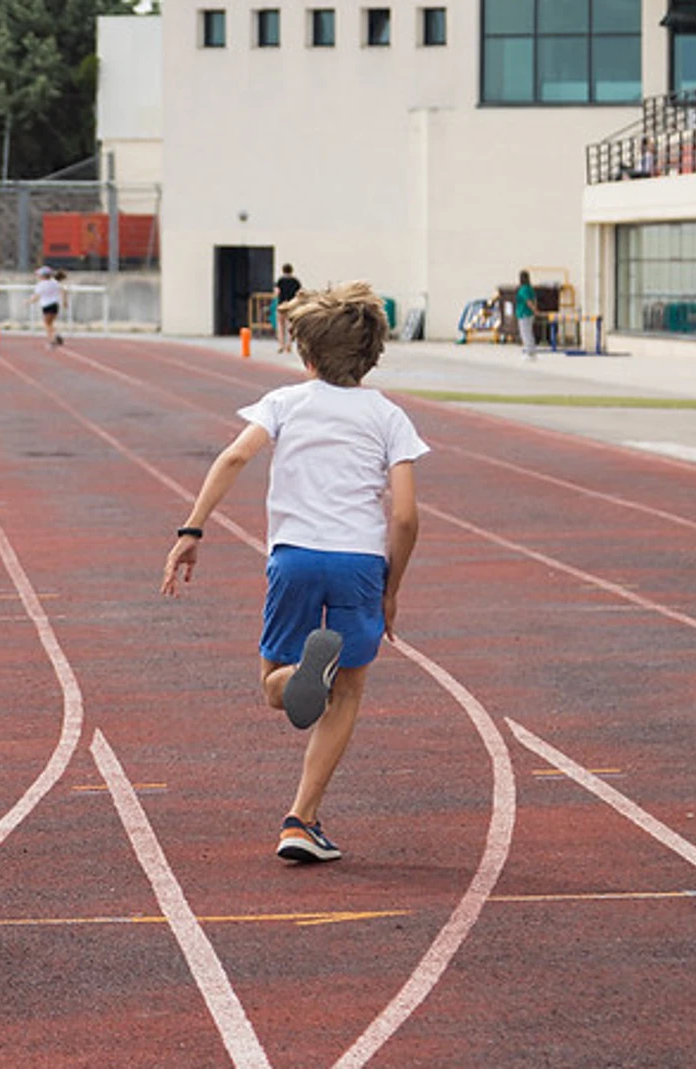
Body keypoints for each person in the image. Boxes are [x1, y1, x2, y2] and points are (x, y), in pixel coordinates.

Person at [161, 281, 425, 864]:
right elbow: (405, 516)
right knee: (348, 689)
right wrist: (392, 589)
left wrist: (192, 530)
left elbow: (233, 457)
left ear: (306, 355)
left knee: (275, 686)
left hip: (294, 557)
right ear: (372, 354)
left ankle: (303, 675)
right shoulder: (388, 416)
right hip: (359, 561)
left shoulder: (284, 403)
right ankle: (301, 820)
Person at [34, 265, 64, 347]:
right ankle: (56, 335)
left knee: (47, 324)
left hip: (46, 305)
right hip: (55, 305)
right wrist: (64, 302)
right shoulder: (54, 282)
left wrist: (28, 301)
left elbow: (37, 296)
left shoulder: (40, 285)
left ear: (42, 276)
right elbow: (62, 290)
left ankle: (53, 339)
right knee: (50, 323)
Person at [275, 264, 302, 353]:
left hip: (282, 304)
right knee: (290, 325)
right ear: (291, 270)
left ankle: (281, 345)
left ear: (283, 270)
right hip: (292, 305)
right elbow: (299, 293)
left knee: (280, 325)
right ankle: (289, 345)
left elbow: (277, 292)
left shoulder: (280, 281)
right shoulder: (296, 281)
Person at [515, 269, 538, 361]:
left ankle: (529, 352)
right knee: (529, 332)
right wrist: (535, 309)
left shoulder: (523, 289)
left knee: (525, 333)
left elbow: (528, 301)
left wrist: (534, 309)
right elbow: (534, 299)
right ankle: (531, 350)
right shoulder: (530, 288)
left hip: (524, 313)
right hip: (529, 314)